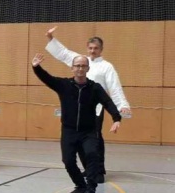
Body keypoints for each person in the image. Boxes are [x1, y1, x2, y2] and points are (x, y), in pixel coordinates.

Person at [31, 53, 121, 193]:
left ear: (88, 69)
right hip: (69, 131)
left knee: (92, 156)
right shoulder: (64, 85)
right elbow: (47, 78)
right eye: (77, 66)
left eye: (83, 66)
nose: (80, 68)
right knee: (68, 161)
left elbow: (107, 102)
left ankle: (91, 190)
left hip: (89, 131)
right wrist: (36, 67)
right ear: (72, 68)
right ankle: (81, 185)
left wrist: (116, 118)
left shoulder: (95, 88)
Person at [45, 27, 130, 183]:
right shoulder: (80, 60)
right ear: (87, 48)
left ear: (101, 49)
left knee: (95, 139)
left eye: (96, 48)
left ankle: (99, 171)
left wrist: (121, 105)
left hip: (96, 107)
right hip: (78, 107)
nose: (92, 51)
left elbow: (114, 86)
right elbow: (63, 53)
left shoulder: (107, 66)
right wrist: (51, 38)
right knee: (80, 140)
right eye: (90, 48)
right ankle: (89, 168)